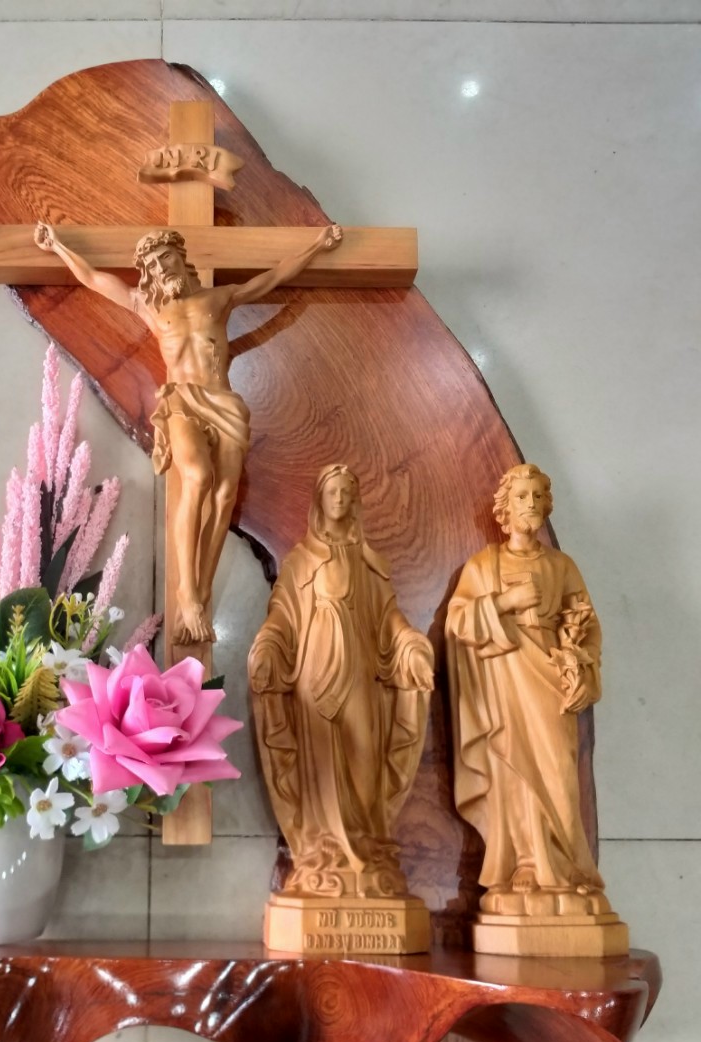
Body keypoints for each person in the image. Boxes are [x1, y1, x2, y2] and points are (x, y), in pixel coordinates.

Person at [34, 221, 342, 643]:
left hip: (224, 402)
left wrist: (317, 246)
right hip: (181, 401)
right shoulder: (147, 305)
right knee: (197, 477)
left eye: (167, 258)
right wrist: (57, 246)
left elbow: (273, 278)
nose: (162, 269)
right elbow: (91, 277)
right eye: (153, 266)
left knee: (225, 495)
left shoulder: (219, 298)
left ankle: (201, 592)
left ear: (182, 258)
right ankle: (187, 592)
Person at [248, 464, 434, 898]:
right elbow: (282, 617)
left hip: (360, 675)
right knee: (321, 765)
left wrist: (409, 643)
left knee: (365, 756)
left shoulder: (368, 563)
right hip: (314, 675)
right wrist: (268, 646)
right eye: (333, 492)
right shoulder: (300, 562)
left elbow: (389, 618)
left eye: (348, 493)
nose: (340, 499)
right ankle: (322, 850)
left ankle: (366, 844)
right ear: (320, 499)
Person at [445, 462, 607, 913]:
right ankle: (526, 866)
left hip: (549, 679)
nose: (530, 504)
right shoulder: (484, 565)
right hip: (505, 683)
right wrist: (504, 602)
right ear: (505, 508)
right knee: (514, 773)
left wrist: (582, 665)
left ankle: (568, 868)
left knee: (559, 771)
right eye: (521, 497)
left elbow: (588, 625)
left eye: (537, 496)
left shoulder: (561, 566)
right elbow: (458, 622)